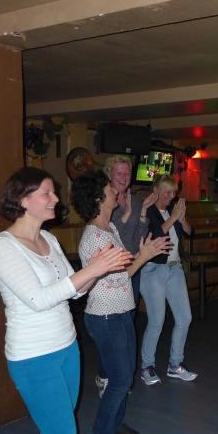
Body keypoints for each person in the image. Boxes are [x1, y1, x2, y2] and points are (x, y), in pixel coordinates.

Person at [0, 168, 130, 434]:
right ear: (23, 200)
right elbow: (38, 299)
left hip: (66, 347)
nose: (55, 198)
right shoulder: (4, 246)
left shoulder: (48, 240)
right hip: (33, 356)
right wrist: (92, 269)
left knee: (56, 433)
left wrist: (99, 267)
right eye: (47, 193)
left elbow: (75, 292)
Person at [71, 171, 170, 434]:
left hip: (122, 311)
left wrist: (142, 253)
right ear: (98, 198)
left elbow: (123, 272)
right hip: (105, 317)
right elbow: (115, 275)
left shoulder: (110, 227)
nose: (115, 191)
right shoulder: (94, 237)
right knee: (121, 379)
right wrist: (145, 256)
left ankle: (115, 423)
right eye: (109, 188)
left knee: (124, 376)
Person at [92, 154, 156, 397]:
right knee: (113, 328)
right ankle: (106, 375)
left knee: (128, 322)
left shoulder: (135, 200)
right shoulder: (104, 201)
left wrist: (142, 212)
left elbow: (138, 237)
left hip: (133, 266)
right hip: (111, 269)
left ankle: (119, 376)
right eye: (119, 173)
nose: (124, 177)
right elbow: (114, 236)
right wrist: (128, 214)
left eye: (127, 173)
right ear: (109, 174)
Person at [139, 174, 197, 384]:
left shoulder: (173, 211)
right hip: (153, 269)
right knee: (157, 320)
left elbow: (190, 232)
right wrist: (173, 217)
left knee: (184, 318)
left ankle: (175, 364)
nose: (170, 196)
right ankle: (147, 366)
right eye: (166, 191)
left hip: (175, 268)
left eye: (173, 192)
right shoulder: (148, 211)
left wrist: (182, 219)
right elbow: (156, 234)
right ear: (156, 191)